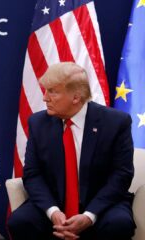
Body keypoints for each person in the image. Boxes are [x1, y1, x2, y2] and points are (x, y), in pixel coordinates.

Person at [7, 62, 135, 240]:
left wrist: (89, 216)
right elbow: (32, 174)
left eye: (53, 91)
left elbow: (122, 174)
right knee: (20, 222)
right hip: (55, 203)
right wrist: (53, 212)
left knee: (119, 224)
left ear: (76, 97)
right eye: (46, 90)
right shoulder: (38, 123)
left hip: (101, 205)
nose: (45, 98)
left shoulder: (115, 123)